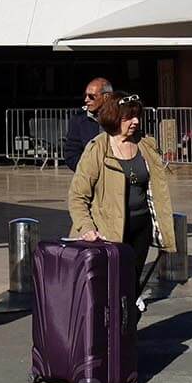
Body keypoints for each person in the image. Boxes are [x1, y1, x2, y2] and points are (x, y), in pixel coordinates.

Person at [67, 93, 179, 303]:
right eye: (129, 117)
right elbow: (77, 195)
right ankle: (107, 333)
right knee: (108, 289)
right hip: (108, 232)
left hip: (141, 228)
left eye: (138, 116)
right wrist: (86, 227)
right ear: (114, 118)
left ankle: (127, 333)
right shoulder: (97, 148)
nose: (136, 121)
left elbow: (157, 190)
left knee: (131, 285)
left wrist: (164, 230)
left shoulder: (146, 144)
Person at [63, 77, 116, 171]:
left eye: (91, 96)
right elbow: (71, 154)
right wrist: (88, 171)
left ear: (106, 97)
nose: (86, 100)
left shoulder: (121, 118)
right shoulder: (78, 121)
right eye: (85, 96)